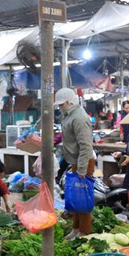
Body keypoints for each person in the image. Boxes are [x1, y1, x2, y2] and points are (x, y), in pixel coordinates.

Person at [54, 87, 94, 239]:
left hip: (84, 161)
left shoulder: (79, 118)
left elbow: (86, 146)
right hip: (75, 161)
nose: (60, 107)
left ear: (70, 102)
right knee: (76, 198)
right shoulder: (69, 115)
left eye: (62, 104)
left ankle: (84, 233)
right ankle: (76, 229)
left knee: (83, 199)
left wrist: (82, 169)